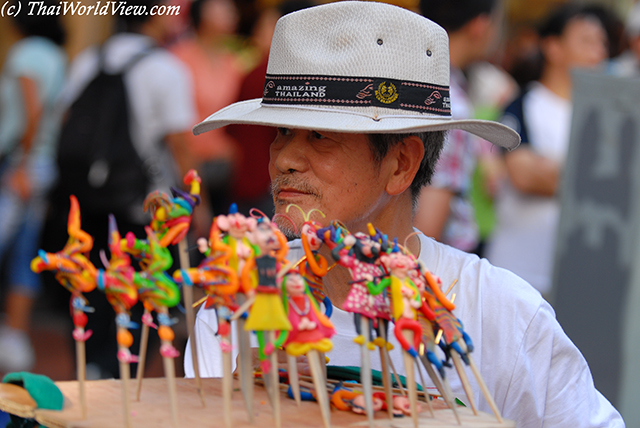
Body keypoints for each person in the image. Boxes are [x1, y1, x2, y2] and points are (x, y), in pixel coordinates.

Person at [185, 2, 624, 427]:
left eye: (320, 136)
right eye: (281, 131)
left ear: (400, 165)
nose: (284, 159)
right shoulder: (237, 304)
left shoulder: (501, 315)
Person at [52, 0, 196, 379]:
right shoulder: (167, 68)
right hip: (146, 203)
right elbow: (179, 141)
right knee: (139, 288)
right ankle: (122, 377)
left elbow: (67, 119)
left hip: (87, 199)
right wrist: (199, 202)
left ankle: (91, 370)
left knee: (91, 281)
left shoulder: (90, 58)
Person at [485, 4, 608, 297]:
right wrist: (598, 180)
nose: (599, 52)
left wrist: (554, 169)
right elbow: (524, 175)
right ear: (553, 47)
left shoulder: (608, 118)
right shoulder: (523, 103)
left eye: (602, 43)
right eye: (587, 41)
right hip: (518, 274)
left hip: (583, 282)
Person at [0, 0, 66, 373]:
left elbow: (32, 111)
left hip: (22, 163)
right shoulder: (56, 55)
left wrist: (22, 164)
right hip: (45, 163)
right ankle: (16, 335)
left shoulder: (23, 53)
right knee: (26, 249)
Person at [414, 0, 504, 254]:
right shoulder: (448, 102)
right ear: (480, 25)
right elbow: (426, 228)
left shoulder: (415, 84)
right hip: (436, 268)